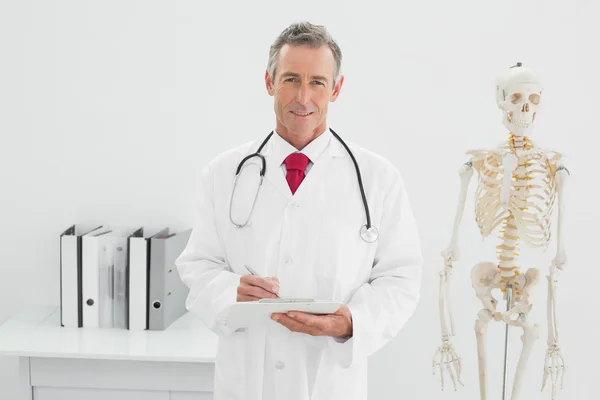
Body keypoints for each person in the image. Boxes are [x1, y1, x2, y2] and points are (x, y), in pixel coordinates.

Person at [175, 21, 422, 400]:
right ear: (269, 82)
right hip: (247, 381)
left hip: (329, 381)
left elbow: (401, 277)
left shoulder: (378, 178)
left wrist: (351, 323)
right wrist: (231, 291)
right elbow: (197, 266)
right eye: (291, 79)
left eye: (317, 82)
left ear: (336, 89)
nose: (303, 97)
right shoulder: (223, 173)